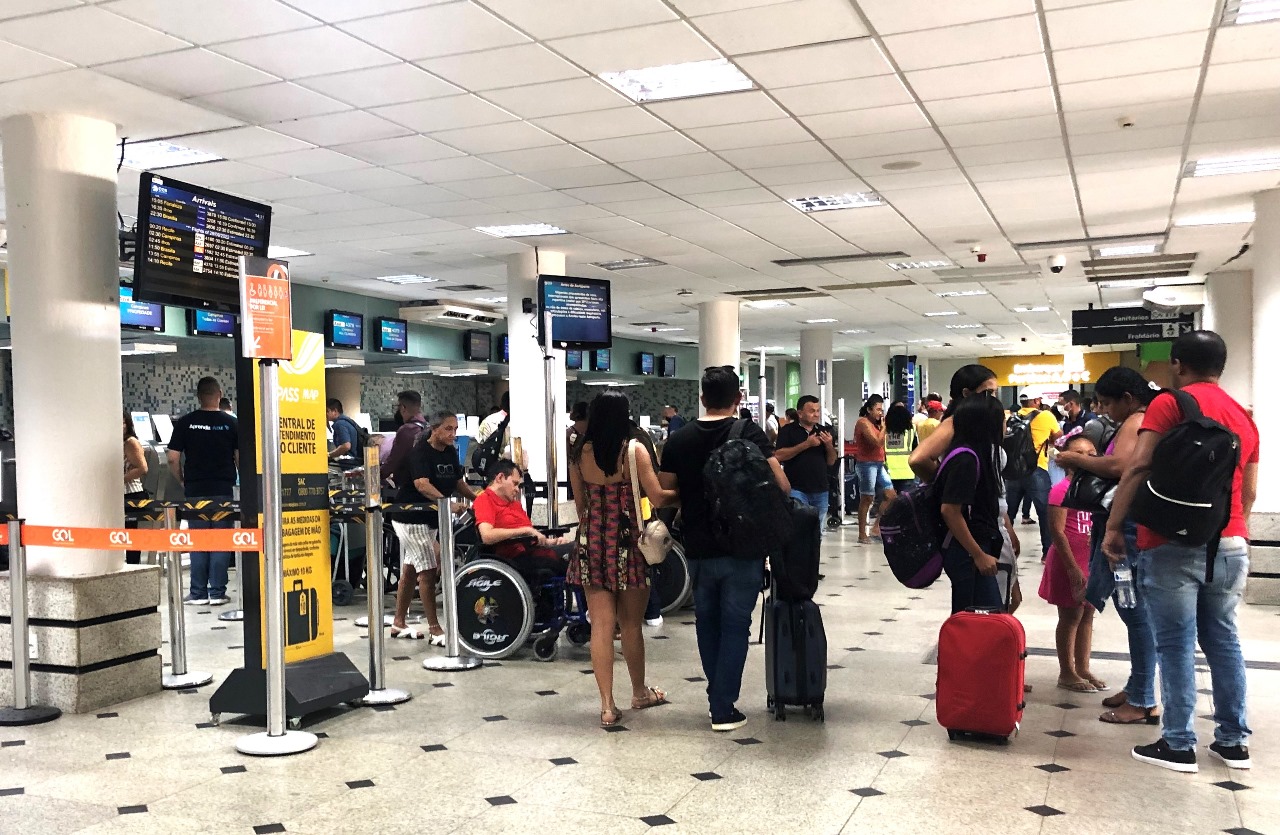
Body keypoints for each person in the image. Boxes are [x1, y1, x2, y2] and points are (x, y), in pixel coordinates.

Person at [1103, 331, 1258, 773]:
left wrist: (1115, 527)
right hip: (1229, 542)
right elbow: (1248, 488)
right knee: (1223, 639)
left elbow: (1139, 464)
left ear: (1177, 363)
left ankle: (1178, 743)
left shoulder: (1169, 404)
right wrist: (1234, 529)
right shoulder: (1244, 417)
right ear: (1221, 366)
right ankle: (1232, 741)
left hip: (1170, 542)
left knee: (1174, 643)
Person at [659, 366, 789, 732]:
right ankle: (722, 706)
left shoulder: (679, 439)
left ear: (702, 398)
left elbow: (667, 493)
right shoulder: (749, 433)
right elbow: (781, 483)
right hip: (743, 547)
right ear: (738, 399)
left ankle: (718, 696)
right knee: (735, 625)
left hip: (699, 546)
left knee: (708, 623)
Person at [1057, 366, 1161, 722]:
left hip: (1127, 531)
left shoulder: (1136, 421)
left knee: (1136, 613)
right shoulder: (1142, 419)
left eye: (1106, 403)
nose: (1102, 411)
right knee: (1135, 611)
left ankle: (1144, 697)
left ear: (1127, 400)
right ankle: (1138, 686)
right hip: (1129, 527)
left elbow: (1122, 466)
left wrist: (1076, 459)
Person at [568, 391, 677, 729]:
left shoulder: (579, 453)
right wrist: (689, 489)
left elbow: (581, 503)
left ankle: (606, 705)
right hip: (628, 541)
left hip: (592, 540)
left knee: (600, 626)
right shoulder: (634, 450)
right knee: (630, 624)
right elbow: (658, 496)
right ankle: (639, 692)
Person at [390, 411, 476, 644]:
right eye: (448, 429)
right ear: (435, 429)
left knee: (410, 570)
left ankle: (398, 622)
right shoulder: (419, 453)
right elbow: (422, 485)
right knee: (427, 571)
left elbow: (458, 482)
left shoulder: (448, 452)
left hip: (430, 521)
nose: (453, 434)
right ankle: (435, 628)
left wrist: (476, 498)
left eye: (455, 429)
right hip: (410, 519)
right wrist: (446, 504)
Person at [167, 376, 238, 606]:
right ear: (219, 394)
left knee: (198, 541)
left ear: (199, 396)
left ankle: (198, 593)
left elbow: (172, 458)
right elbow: (239, 457)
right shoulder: (231, 423)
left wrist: (183, 481)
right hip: (222, 489)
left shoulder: (185, 422)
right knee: (220, 541)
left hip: (195, 490)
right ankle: (217, 592)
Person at [1039, 435, 1102, 692]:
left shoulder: (1097, 487)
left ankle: (1083, 667)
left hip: (1091, 559)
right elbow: (1057, 531)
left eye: (1090, 452)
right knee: (1070, 615)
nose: (1085, 458)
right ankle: (1067, 671)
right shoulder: (1061, 489)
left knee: (1088, 613)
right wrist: (1073, 569)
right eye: (1078, 453)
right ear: (1065, 459)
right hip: (1069, 561)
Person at [935, 393, 1006, 614]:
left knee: (981, 617)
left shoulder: (971, 454)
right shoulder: (965, 459)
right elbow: (950, 511)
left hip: (973, 547)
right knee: (976, 620)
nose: (1004, 425)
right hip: (966, 551)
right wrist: (978, 554)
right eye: (1000, 420)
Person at [1006, 389, 1062, 558]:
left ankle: (1003, 551)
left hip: (1013, 471)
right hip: (1036, 469)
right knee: (1046, 514)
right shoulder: (1046, 416)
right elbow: (1059, 438)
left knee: (1007, 515)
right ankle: (1047, 554)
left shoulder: (1010, 417)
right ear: (1037, 400)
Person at [775, 394, 837, 528]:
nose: (816, 414)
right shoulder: (788, 431)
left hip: (820, 489)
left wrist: (829, 445)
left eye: (818, 411)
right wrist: (806, 444)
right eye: (812, 411)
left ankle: (814, 550)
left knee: (817, 530)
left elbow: (831, 461)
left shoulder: (824, 431)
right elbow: (779, 455)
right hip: (797, 488)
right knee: (799, 528)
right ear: (800, 413)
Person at [850, 395, 892, 544]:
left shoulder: (877, 424)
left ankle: (877, 526)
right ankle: (862, 533)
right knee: (867, 498)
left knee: (891, 495)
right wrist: (885, 427)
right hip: (866, 464)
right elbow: (877, 442)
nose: (881, 413)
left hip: (879, 464)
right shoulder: (863, 422)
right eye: (878, 409)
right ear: (869, 409)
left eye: (882, 409)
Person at [382, 390, 426, 492]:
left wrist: (376, 475)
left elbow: (394, 460)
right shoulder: (427, 427)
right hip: (426, 484)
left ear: (403, 408)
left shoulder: (406, 430)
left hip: (409, 486)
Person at [122, 409, 149, 565]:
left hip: (131, 493)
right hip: (120, 493)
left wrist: (121, 480)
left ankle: (133, 565)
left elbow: (142, 468)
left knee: (131, 535)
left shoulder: (130, 442)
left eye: (123, 423)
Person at [883, 401, 917, 493]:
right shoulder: (911, 430)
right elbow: (916, 450)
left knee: (889, 504)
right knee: (907, 504)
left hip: (888, 473)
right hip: (907, 472)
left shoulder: (884, 431)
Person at [326, 398, 361, 469]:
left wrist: (329, 455)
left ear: (335, 411)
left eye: (327, 411)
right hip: (356, 462)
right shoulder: (347, 421)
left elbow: (346, 446)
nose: (325, 414)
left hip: (349, 464)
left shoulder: (340, 424)